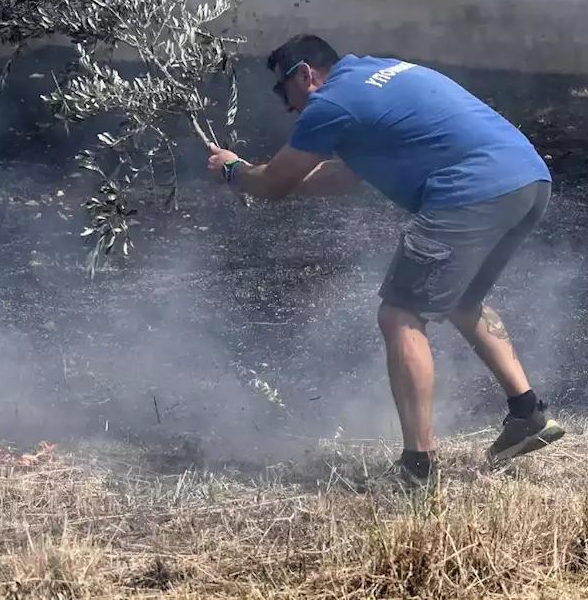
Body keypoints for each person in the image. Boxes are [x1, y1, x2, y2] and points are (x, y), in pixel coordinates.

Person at [205, 34, 564, 488]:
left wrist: (235, 171)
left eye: (283, 92)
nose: (287, 106)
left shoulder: (329, 103)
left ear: (305, 75)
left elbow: (274, 184)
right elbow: (341, 177)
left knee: (400, 314)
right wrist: (265, 176)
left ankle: (418, 468)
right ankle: (528, 414)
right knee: (462, 299)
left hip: (470, 190)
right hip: (527, 179)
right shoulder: (374, 75)